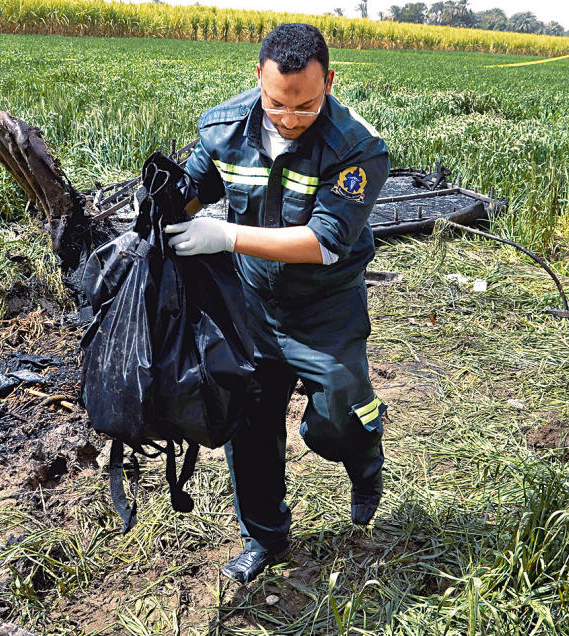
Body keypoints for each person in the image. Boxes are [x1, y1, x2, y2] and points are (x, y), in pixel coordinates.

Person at [164, 23, 390, 584]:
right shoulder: (223, 128)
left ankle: (363, 459)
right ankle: (264, 537)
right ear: (258, 79)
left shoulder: (356, 146)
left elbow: (322, 241)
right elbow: (195, 187)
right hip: (252, 309)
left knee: (339, 413)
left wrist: (228, 237)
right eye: (277, 104)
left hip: (324, 308)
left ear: (330, 82)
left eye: (307, 106)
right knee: (251, 424)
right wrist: (166, 208)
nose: (289, 118)